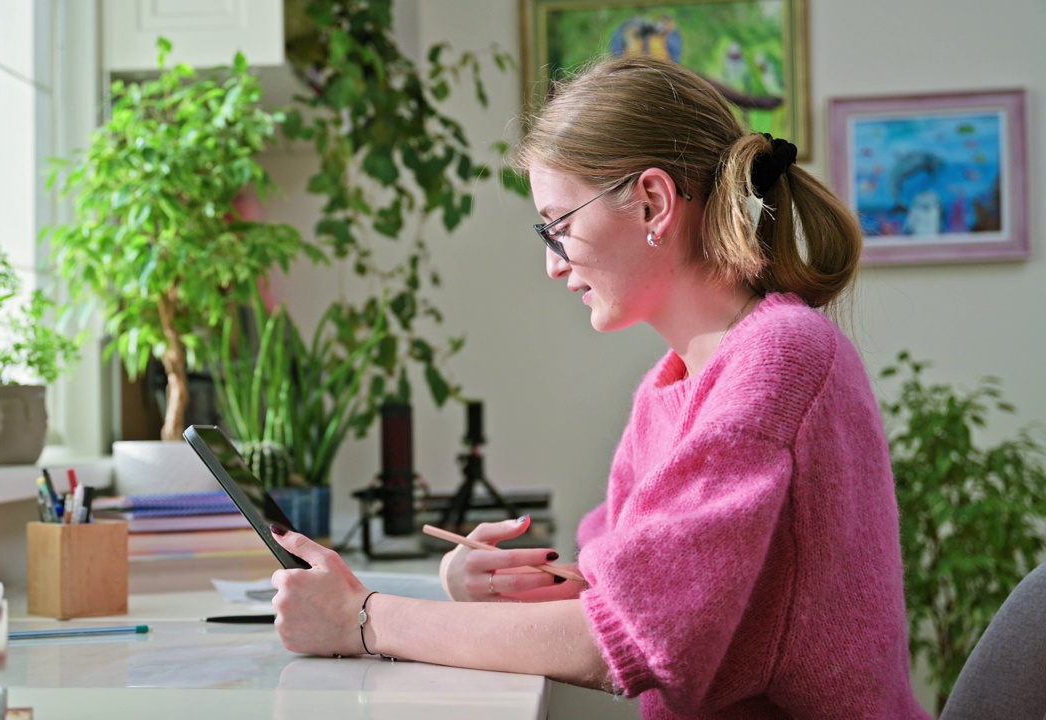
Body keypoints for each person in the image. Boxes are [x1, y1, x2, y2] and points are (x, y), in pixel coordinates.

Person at [269, 54, 930, 719]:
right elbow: (616, 590)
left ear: (652, 202)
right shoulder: (672, 385)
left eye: (557, 227)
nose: (551, 266)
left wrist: (365, 621)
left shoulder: (779, 359)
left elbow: (626, 638)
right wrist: (481, 584)